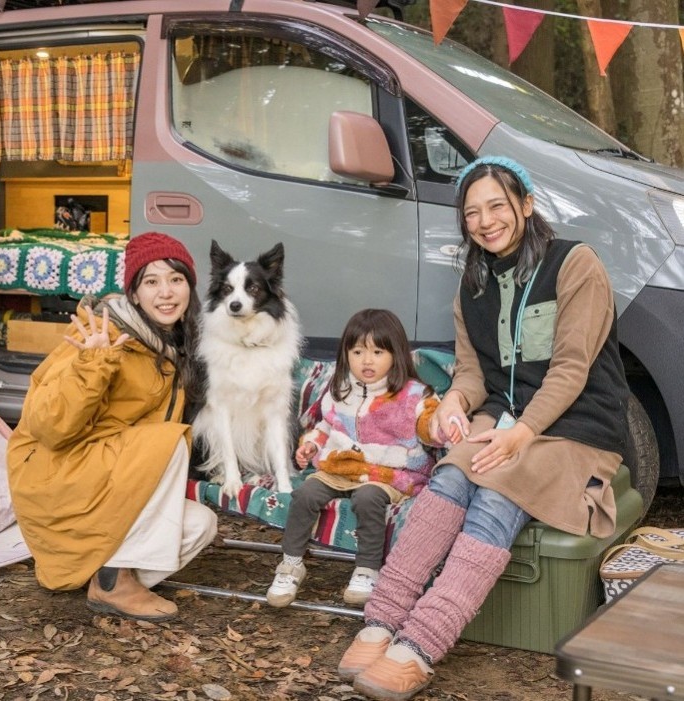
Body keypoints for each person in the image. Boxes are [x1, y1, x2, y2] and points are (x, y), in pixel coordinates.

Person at [338, 156, 629, 700]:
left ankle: (419, 646)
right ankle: (380, 622)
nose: (485, 220)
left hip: (578, 429)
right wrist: (453, 403)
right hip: (506, 418)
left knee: (496, 489)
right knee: (450, 476)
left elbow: (571, 369)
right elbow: (473, 373)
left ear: (526, 204)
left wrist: (521, 435)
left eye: (497, 205)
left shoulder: (575, 264)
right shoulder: (472, 284)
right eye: (471, 212)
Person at [6, 232, 218, 622]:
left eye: (176, 279)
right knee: (168, 443)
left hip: (110, 478)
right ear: (134, 294)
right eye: (151, 282)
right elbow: (50, 427)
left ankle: (103, 574)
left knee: (202, 525)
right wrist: (93, 365)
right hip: (58, 475)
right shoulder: (98, 336)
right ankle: (115, 581)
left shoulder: (176, 343)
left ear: (190, 285)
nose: (166, 292)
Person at [266, 308, 440, 609]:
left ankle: (366, 569)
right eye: (357, 352)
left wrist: (437, 423)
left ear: (395, 354)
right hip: (341, 467)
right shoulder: (341, 388)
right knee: (306, 492)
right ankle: (291, 563)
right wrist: (310, 444)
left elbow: (429, 428)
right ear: (346, 354)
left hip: (388, 473)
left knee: (367, 498)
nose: (367, 360)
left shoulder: (413, 394)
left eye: (377, 352)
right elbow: (326, 425)